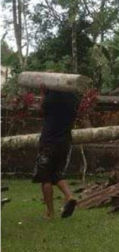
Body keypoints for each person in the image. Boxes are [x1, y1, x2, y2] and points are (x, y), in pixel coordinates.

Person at [33, 88, 80, 220]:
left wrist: (43, 94)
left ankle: (50, 212)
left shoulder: (50, 97)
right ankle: (69, 196)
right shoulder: (73, 96)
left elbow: (40, 111)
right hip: (65, 142)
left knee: (45, 178)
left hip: (49, 141)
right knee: (57, 173)